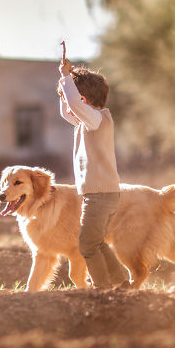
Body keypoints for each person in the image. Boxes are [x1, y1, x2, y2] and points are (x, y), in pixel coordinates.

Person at [57, 58, 129, 289]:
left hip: (101, 195)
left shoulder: (97, 120)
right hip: (100, 194)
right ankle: (120, 282)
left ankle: (102, 289)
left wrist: (68, 78)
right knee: (96, 242)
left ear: (84, 100)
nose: (69, 105)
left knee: (87, 245)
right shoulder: (86, 123)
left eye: (72, 99)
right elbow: (69, 113)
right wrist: (63, 85)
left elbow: (74, 107)